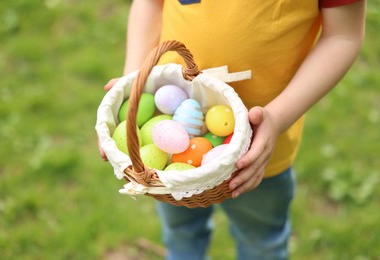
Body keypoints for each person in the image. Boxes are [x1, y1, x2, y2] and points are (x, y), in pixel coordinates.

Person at [99, 1, 366, 259]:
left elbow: (342, 36)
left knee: (261, 242)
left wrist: (276, 117)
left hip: (257, 155)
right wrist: (133, 82)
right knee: (181, 233)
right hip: (168, 143)